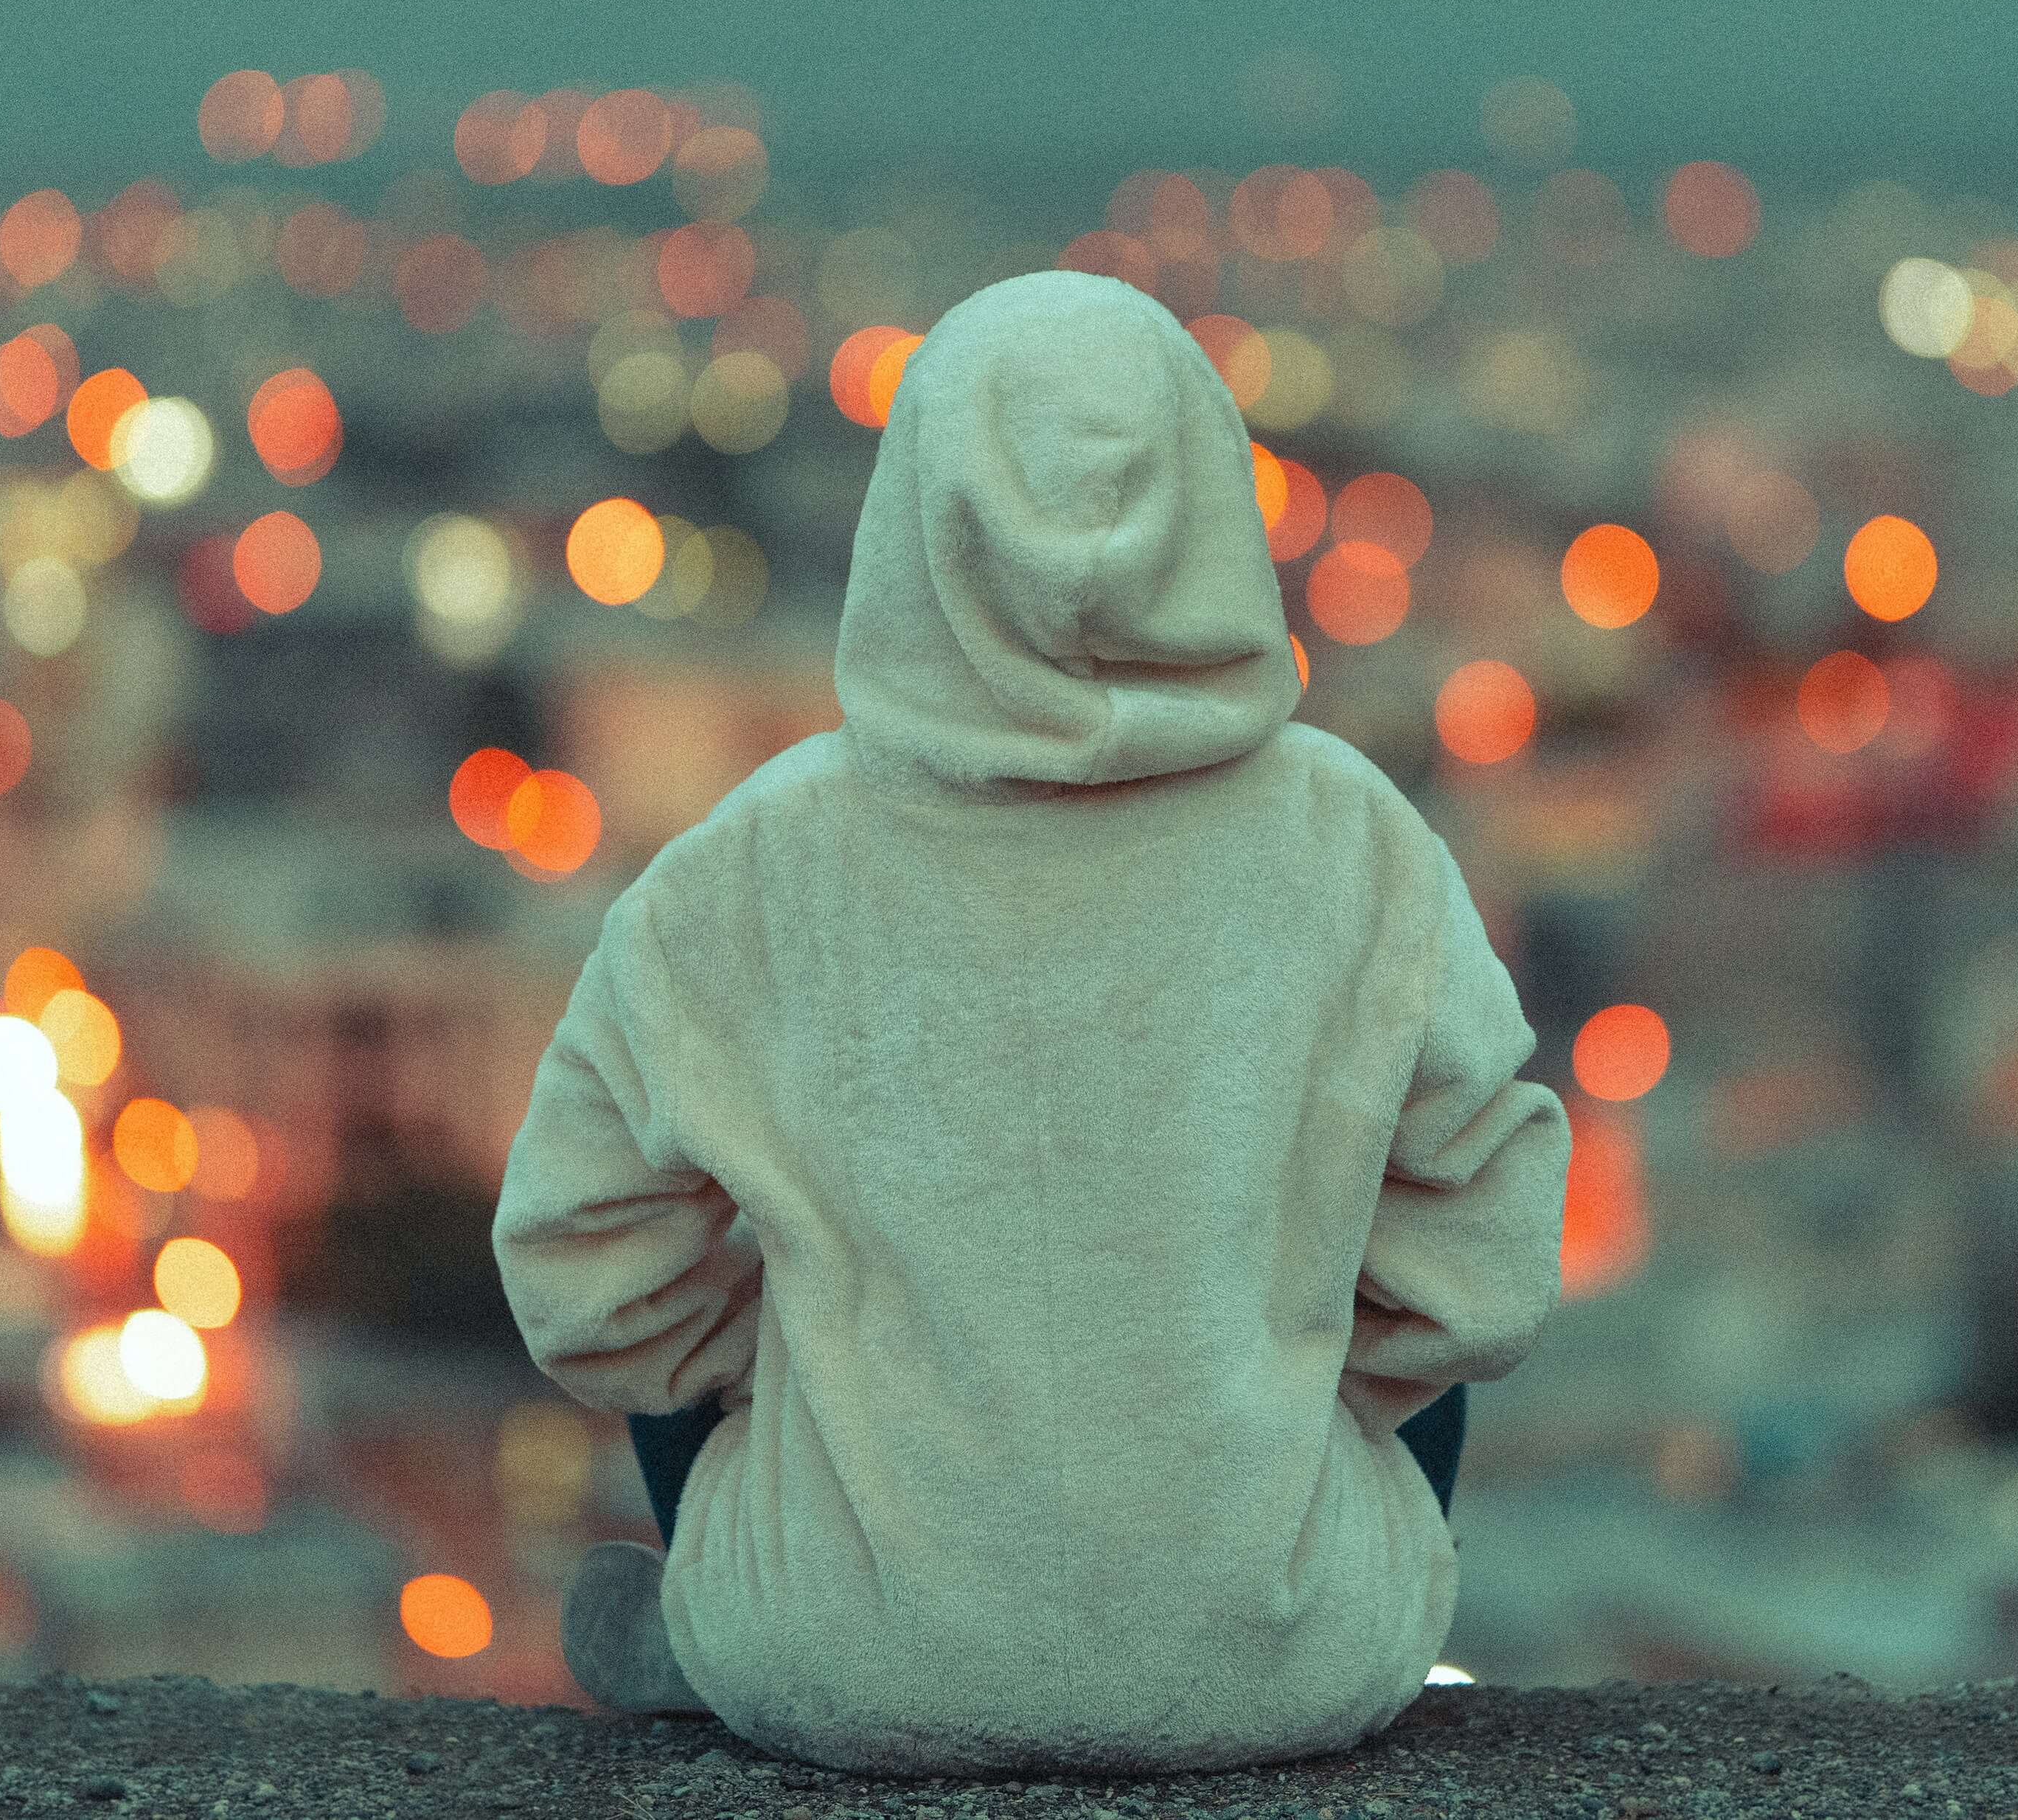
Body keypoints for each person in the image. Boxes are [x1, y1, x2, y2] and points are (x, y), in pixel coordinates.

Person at [489, 268, 1572, 1776]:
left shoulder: (754, 864)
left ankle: (715, 1613)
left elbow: (583, 1273)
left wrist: (800, 1381)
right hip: (1287, 1653)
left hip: (835, 1658)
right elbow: (1486, 1266)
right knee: (1366, 1303)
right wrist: (1274, 1397)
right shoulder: (1356, 841)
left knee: (727, 1339)